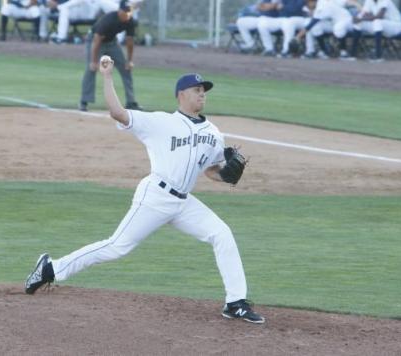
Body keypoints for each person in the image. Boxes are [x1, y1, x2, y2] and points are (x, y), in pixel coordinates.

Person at [24, 62, 265, 324]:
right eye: (197, 89)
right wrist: (106, 77)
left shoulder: (213, 134)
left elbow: (211, 170)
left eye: (204, 90)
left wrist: (225, 175)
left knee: (222, 234)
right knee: (117, 247)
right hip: (155, 197)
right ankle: (51, 268)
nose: (202, 94)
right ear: (181, 95)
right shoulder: (160, 122)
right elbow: (118, 112)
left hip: (183, 203)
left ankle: (235, 302)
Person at [78, 0, 141, 112]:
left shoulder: (130, 21)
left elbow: (130, 41)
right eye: (125, 12)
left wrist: (129, 61)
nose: (127, 14)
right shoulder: (108, 20)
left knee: (126, 69)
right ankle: (84, 101)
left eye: (129, 12)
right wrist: (93, 61)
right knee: (91, 69)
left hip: (112, 43)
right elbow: (97, 40)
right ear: (119, 10)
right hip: (94, 41)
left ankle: (131, 102)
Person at [296, 0, 361, 59]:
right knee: (316, 27)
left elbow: (310, 25)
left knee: (338, 28)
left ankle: (343, 51)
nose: (307, 6)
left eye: (307, 3)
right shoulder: (320, 3)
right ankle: (324, 51)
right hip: (333, 22)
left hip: (345, 20)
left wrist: (298, 37)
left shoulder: (321, 7)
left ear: (312, 2)